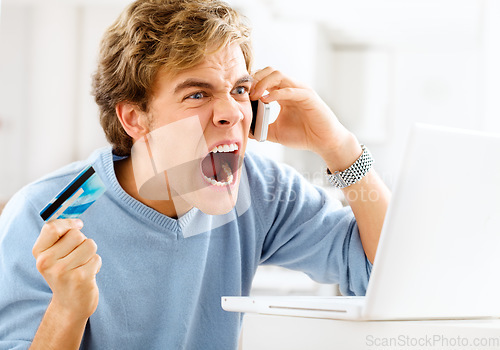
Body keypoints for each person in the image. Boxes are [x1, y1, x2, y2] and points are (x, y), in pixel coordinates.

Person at [0, 0, 390, 349]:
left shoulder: (264, 189)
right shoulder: (46, 216)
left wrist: (340, 148)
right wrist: (67, 311)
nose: (233, 113)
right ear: (135, 118)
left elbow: (388, 279)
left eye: (239, 90)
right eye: (197, 94)